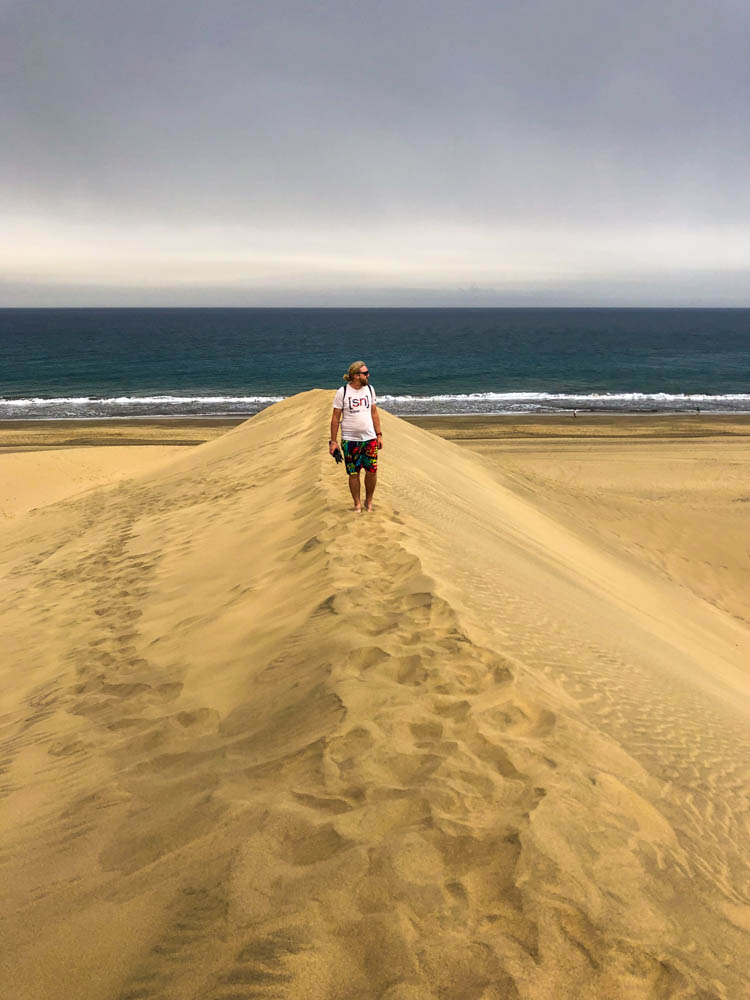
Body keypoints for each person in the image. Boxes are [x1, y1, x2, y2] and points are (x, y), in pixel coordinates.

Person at [329, 360, 383, 512]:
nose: (368, 375)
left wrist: (379, 434)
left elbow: (374, 412)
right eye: (365, 373)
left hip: (370, 439)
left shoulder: (370, 390)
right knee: (354, 473)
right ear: (356, 376)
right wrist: (333, 442)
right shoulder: (343, 392)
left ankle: (369, 501)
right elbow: (335, 418)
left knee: (372, 471)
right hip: (350, 440)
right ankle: (357, 504)